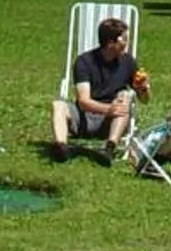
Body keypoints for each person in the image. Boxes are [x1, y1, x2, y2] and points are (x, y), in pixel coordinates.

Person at [52, 16, 147, 162]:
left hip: (110, 122)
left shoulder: (128, 62)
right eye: (124, 39)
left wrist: (143, 89)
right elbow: (83, 101)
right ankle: (62, 148)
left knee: (124, 96)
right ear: (110, 43)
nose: (127, 43)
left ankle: (109, 149)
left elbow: (145, 100)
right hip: (84, 118)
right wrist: (109, 108)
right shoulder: (84, 61)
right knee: (58, 105)